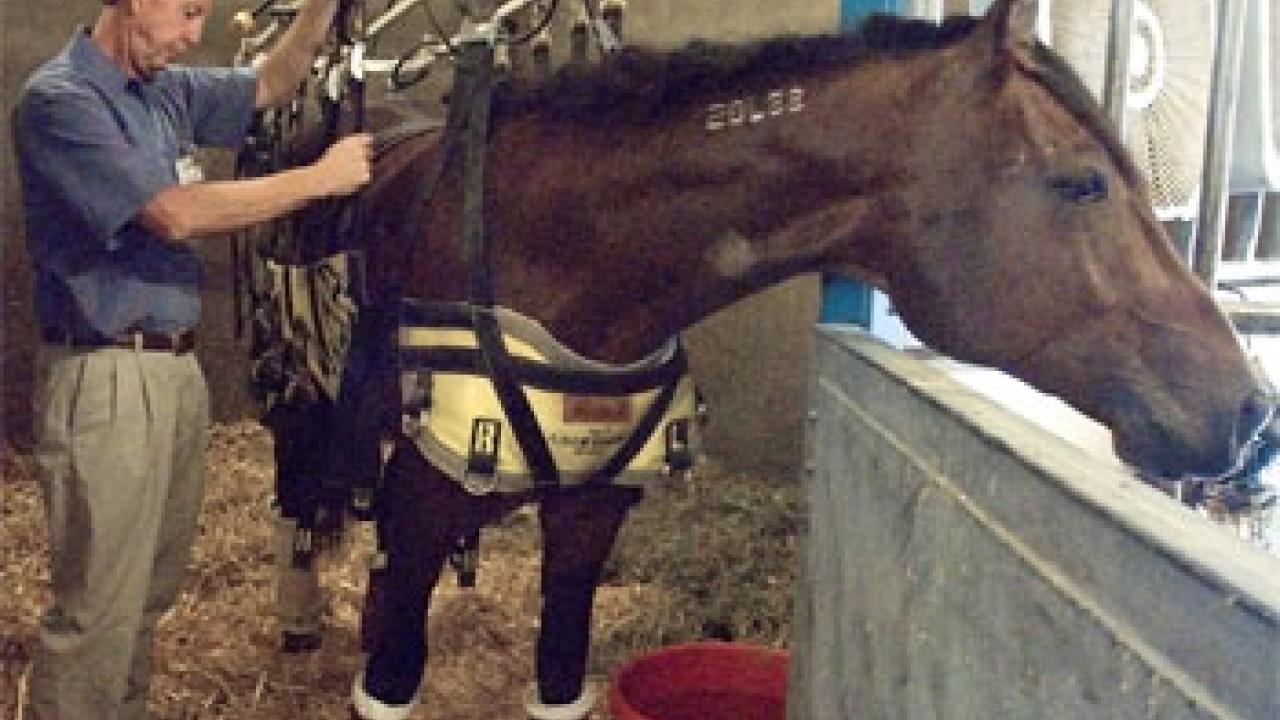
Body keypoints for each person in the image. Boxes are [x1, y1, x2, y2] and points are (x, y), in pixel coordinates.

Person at [11, 0, 372, 717]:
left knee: (146, 596)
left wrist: (320, 12)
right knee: (95, 615)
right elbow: (174, 213)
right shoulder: (61, 102)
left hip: (173, 373)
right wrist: (319, 181)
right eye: (185, 13)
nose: (194, 34)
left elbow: (271, 81)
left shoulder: (164, 91)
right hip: (106, 375)